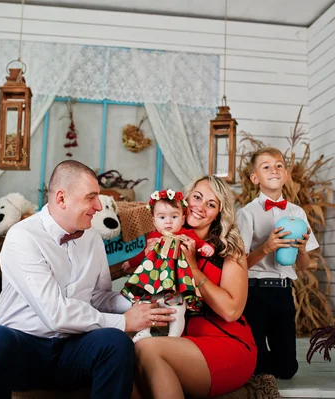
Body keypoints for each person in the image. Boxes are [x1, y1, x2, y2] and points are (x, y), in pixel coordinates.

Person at [0, 160, 176, 399]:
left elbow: (97, 296)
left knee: (117, 343)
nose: (98, 206)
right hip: (25, 351)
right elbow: (55, 313)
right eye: (91, 197)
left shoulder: (93, 238)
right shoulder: (22, 237)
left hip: (73, 349)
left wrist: (136, 306)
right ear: (61, 198)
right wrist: (123, 322)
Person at [133, 175, 257, 399]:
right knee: (122, 356)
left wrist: (193, 267)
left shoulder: (230, 250)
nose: (200, 207)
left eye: (211, 204)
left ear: (219, 213)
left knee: (146, 348)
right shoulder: (161, 240)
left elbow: (231, 311)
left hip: (227, 344)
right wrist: (148, 259)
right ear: (185, 199)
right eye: (197, 197)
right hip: (180, 340)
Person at [236, 147, 319, 379]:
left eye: (279, 165)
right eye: (266, 167)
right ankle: (249, 360)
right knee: (258, 368)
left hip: (283, 293)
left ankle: (257, 360)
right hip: (254, 293)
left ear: (286, 174)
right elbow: (239, 264)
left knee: (287, 370)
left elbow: (303, 266)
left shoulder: (298, 213)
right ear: (255, 178)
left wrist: (302, 249)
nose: (274, 170)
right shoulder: (247, 213)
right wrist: (266, 248)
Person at [121, 188, 214, 342]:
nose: (168, 221)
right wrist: (130, 262)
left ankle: (174, 337)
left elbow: (198, 244)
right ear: (154, 221)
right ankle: (144, 331)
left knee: (177, 310)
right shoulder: (153, 237)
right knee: (145, 307)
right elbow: (143, 254)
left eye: (174, 216)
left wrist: (205, 248)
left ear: (183, 219)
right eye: (162, 217)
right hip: (154, 283)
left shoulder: (186, 235)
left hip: (176, 285)